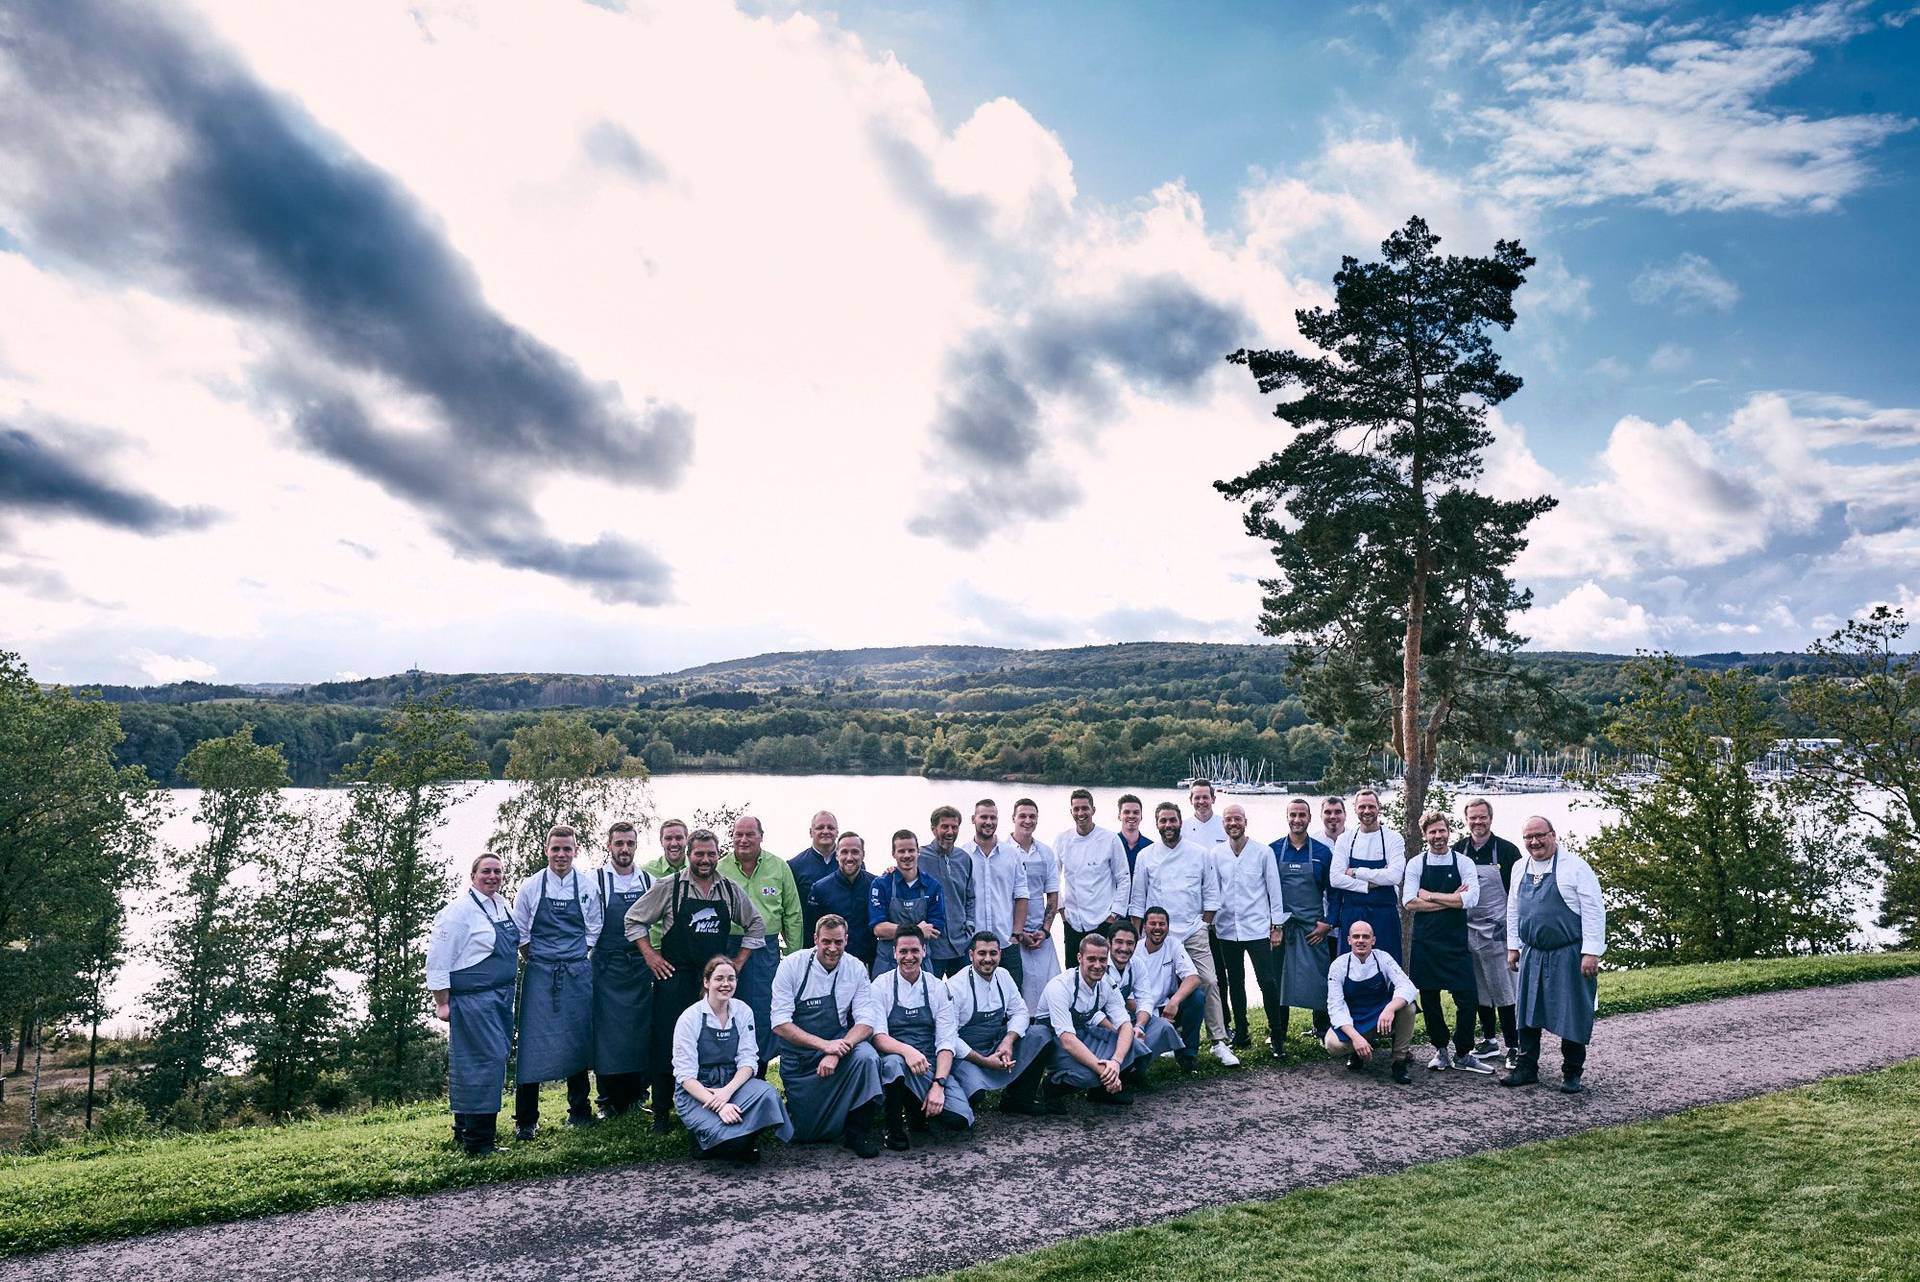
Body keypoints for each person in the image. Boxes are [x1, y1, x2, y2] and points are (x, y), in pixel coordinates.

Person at [625, 828, 764, 1134]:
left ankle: (714, 1100)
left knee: (713, 1043)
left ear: (718, 855)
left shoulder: (729, 890)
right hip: (675, 978)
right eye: (699, 854)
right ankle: (661, 1112)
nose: (705, 860)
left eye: (711, 854)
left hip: (713, 983)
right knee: (665, 1043)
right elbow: (634, 919)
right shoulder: (670, 887)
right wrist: (651, 956)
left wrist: (738, 962)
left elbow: (756, 924)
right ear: (688, 855)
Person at [1502, 817, 1605, 1094]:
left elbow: (1594, 910)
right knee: (1525, 1012)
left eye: (1540, 836)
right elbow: (1514, 909)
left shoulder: (1576, 868)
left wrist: (1591, 952)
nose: (1534, 842)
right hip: (1533, 952)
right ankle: (1526, 1068)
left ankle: (1572, 1072)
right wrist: (1513, 946)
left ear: (1553, 835)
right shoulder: (1519, 867)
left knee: (1572, 1012)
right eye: (1528, 838)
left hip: (1569, 953)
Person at [509, 825, 600, 1139]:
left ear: (576, 850)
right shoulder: (531, 887)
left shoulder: (587, 886)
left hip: (576, 972)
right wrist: (541, 959)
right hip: (540, 972)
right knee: (532, 1043)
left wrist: (573, 958)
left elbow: (594, 930)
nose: (561, 855)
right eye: (556, 849)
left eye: (567, 849)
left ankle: (579, 1110)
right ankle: (526, 1121)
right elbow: (520, 933)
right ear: (546, 850)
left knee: (577, 1037)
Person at [1130, 801, 1236, 1065]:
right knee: (1154, 988)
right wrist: (1137, 939)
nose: (1168, 825)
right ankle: (1164, 1037)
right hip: (1156, 935)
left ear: (1181, 822)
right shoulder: (1146, 856)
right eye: (1163, 821)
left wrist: (1203, 925)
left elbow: (1212, 896)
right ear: (1156, 824)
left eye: (1172, 820)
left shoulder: (1200, 853)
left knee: (1209, 981)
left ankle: (1218, 1041)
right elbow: (1137, 900)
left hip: (1192, 930)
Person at [771, 914, 885, 1156]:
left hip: (839, 1052)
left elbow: (866, 1022)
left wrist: (837, 1050)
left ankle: (857, 1132)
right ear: (815, 939)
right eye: (826, 942)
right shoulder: (791, 965)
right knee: (806, 1135)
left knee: (867, 1057)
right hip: (801, 1062)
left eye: (838, 942)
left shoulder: (855, 967)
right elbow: (780, 1024)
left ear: (846, 940)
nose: (832, 949)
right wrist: (824, 1046)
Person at [428, 853, 518, 1155]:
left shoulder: (502, 905)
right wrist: (442, 1002)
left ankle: (463, 1131)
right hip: (475, 1000)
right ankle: (479, 1142)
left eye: (498, 872)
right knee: (485, 1064)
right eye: (486, 872)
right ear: (473, 875)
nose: (493, 876)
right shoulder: (457, 912)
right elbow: (437, 959)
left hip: (500, 998)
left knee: (478, 1063)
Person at [672, 956, 793, 1163]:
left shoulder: (743, 1011)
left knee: (768, 1095)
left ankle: (743, 1138)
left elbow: (748, 1061)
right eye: (719, 978)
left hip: (731, 1084)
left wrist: (727, 1093)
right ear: (706, 982)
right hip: (699, 1090)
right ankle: (705, 1140)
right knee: (730, 1144)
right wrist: (719, 1104)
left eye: (731, 978)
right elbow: (685, 1077)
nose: (726, 984)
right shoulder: (689, 1018)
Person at [1402, 812, 1489, 1075]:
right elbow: (1408, 902)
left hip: (1455, 942)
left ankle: (1463, 1052)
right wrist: (1452, 900)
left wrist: (1430, 896)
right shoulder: (1416, 863)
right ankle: (1440, 1050)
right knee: (1429, 999)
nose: (1438, 836)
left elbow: (1472, 899)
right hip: (1426, 942)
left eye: (1442, 831)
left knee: (1468, 997)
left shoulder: (1463, 862)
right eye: (1432, 832)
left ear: (1449, 831)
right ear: (1424, 835)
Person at [871, 927, 970, 1149]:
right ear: (894, 952)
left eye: (915, 950)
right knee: (894, 1063)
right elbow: (878, 1037)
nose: (909, 957)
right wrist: (908, 1051)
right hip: (896, 1061)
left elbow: (946, 1041)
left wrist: (939, 1084)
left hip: (928, 1066)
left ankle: (918, 1111)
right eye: (903, 951)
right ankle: (893, 1129)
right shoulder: (880, 985)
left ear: (924, 951)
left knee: (959, 1121)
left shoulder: (937, 987)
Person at [719, 815, 804, 1070]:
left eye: (749, 834)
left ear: (761, 836)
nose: (743, 840)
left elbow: (793, 914)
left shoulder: (779, 867)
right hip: (728, 946)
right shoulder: (720, 868)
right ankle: (728, 1069)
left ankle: (759, 1070)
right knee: (726, 1007)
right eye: (738, 834)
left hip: (765, 949)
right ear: (732, 837)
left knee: (761, 1011)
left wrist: (794, 957)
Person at [944, 931, 1054, 1116]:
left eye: (993, 953)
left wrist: (1007, 1042)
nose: (988, 959)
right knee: (976, 1095)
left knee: (1040, 1033)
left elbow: (1020, 1012)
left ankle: (1018, 1099)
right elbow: (949, 1037)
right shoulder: (955, 986)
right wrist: (984, 1061)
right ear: (971, 955)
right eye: (982, 953)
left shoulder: (1003, 975)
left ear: (1000, 954)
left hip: (996, 1045)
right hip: (967, 1055)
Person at [1209, 803, 1287, 1055]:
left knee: (1267, 981)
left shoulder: (1263, 852)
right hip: (1226, 929)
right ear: (1223, 824)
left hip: (1256, 929)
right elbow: (1213, 890)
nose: (1233, 823)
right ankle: (1242, 1033)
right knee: (1235, 982)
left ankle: (1276, 1035)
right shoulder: (1216, 854)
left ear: (1245, 821)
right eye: (1229, 820)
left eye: (1237, 819)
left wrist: (1277, 926)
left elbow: (1274, 891)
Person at [591, 820, 656, 1117]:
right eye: (619, 843)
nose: (624, 849)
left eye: (629, 843)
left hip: (639, 967)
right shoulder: (595, 881)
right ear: (609, 846)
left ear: (636, 845)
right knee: (607, 1035)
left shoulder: (648, 881)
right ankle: (607, 1100)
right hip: (606, 966)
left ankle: (636, 1096)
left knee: (638, 1032)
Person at [1038, 933, 1143, 1109]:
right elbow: (1067, 1041)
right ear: (1080, 958)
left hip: (1080, 1033)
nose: (1098, 965)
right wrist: (1103, 1070)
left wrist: (1116, 1062)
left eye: (1102, 960)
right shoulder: (1060, 986)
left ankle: (1101, 1092)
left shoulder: (1107, 984)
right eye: (1092, 959)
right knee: (1089, 1075)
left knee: (1135, 1044)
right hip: (1052, 1040)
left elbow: (1125, 1024)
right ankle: (1051, 1087)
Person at [1453, 797, 1521, 1067]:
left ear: (1490, 818)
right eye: (1473, 817)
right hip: (1469, 930)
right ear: (1466, 819)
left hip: (1498, 932)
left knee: (1504, 990)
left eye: (1483, 817)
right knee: (1480, 989)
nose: (1478, 822)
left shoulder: (1507, 851)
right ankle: (1490, 1041)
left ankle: (1514, 1045)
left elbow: (1518, 894)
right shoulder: (1458, 851)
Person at [1269, 798, 1335, 1053]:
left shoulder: (1321, 853)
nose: (1297, 819)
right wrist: (1272, 926)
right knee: (1278, 979)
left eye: (1302, 815)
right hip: (1282, 929)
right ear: (1287, 817)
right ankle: (1278, 1034)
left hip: (1312, 928)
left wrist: (1327, 923)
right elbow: (1265, 891)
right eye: (1293, 815)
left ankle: (1322, 1030)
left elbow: (1335, 893)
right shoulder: (1273, 850)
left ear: (1309, 819)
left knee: (1320, 979)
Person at [1324, 920, 1417, 1084]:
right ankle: (1357, 1051)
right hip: (1354, 1019)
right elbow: (1335, 1008)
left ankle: (1399, 1061)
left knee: (1408, 1008)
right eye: (1356, 936)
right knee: (1333, 1045)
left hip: (1381, 1015)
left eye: (1365, 937)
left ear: (1373, 940)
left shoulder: (1383, 958)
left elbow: (1407, 986)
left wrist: (1389, 1009)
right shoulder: (1338, 966)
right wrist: (1356, 1038)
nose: (1361, 940)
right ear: (1349, 940)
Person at [1113, 913, 1203, 1083]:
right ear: (1144, 927)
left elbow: (1193, 978)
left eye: (1162, 924)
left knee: (1197, 998)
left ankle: (1187, 1055)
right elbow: (1128, 1001)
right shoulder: (1134, 950)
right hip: (1138, 1011)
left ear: (1168, 927)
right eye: (1152, 923)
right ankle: (1133, 1068)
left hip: (1167, 1006)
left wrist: (1174, 1002)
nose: (1157, 928)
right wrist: (1153, 1018)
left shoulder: (1173, 944)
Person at [1330, 789, 1406, 965]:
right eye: (1362, 806)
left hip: (1384, 914)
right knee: (1350, 967)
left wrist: (1356, 872)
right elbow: (1335, 878)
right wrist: (1368, 885)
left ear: (1379, 808)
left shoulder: (1393, 838)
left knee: (1388, 966)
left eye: (1371, 806)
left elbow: (1394, 876)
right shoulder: (1345, 839)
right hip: (1352, 912)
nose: (1367, 811)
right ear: (1355, 809)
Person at [1057, 788, 1131, 964]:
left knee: (1102, 973)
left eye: (1085, 808)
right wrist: (1062, 912)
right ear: (1071, 811)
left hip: (1102, 920)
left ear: (1093, 810)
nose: (1080, 813)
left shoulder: (1110, 839)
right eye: (1076, 809)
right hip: (1073, 921)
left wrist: (1114, 915)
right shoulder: (1062, 839)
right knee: (1073, 972)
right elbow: (1052, 879)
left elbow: (1124, 878)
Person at [964, 799, 1030, 989]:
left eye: (993, 817)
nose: (988, 822)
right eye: (983, 817)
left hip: (1005, 942)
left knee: (1012, 994)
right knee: (972, 997)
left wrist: (1016, 933)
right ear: (973, 819)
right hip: (972, 943)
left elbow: (1021, 895)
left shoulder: (1012, 854)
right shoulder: (962, 855)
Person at [870, 829, 949, 976]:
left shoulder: (933, 886)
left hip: (920, 965)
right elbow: (879, 929)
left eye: (911, 850)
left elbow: (935, 929)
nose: (907, 855)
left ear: (918, 851)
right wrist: (918, 930)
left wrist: (892, 930)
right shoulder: (881, 884)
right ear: (893, 853)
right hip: (887, 964)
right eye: (901, 851)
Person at [1008, 797, 1061, 1014]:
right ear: (1013, 818)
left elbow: (1053, 895)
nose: (1027, 820)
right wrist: (1019, 933)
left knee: (1052, 991)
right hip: (1013, 934)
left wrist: (1045, 931)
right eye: (1022, 816)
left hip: (1041, 935)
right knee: (1021, 994)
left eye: (1032, 816)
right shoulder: (1004, 850)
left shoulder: (1046, 852)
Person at [919, 805, 978, 978]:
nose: (950, 831)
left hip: (961, 943)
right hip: (933, 946)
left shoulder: (964, 858)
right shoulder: (919, 857)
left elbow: (970, 897)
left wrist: (970, 924)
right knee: (931, 996)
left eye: (954, 827)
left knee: (963, 998)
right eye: (945, 826)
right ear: (933, 829)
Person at [808, 832, 877, 968]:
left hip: (868, 963)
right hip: (831, 963)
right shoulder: (820, 888)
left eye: (855, 852)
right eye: (844, 852)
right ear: (837, 855)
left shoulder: (875, 884)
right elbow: (811, 931)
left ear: (863, 855)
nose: (849, 857)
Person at [790, 810, 839, 946]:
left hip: (844, 942)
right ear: (811, 832)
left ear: (837, 832)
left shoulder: (851, 863)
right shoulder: (795, 865)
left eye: (830, 827)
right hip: (808, 942)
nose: (825, 831)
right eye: (820, 827)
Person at [1116, 794, 1153, 874]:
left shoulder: (1151, 848)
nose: (1131, 816)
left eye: (1136, 812)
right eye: (1127, 812)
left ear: (1141, 816)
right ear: (1119, 816)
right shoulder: (1111, 845)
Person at [1182, 780, 1227, 847]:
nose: (1201, 801)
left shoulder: (1226, 826)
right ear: (1191, 800)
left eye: (1205, 797)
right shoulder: (1182, 828)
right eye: (1197, 798)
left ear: (1213, 799)